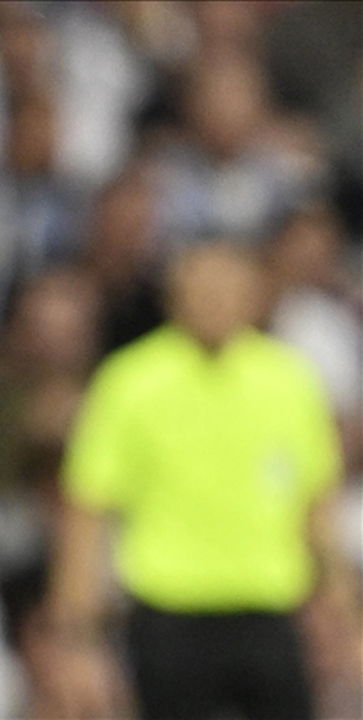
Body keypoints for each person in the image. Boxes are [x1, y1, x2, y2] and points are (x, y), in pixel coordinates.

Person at [45, 242, 352, 719]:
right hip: (169, 612)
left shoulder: (290, 381)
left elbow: (317, 508)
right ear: (174, 297)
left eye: (228, 288)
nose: (216, 301)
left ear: (255, 295)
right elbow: (87, 512)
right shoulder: (130, 382)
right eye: (203, 289)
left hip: (269, 609)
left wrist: (343, 614)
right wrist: (76, 637)